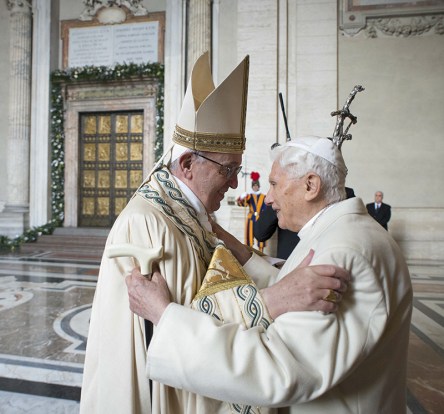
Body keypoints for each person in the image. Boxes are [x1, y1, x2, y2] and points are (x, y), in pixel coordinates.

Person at [80, 53, 350, 414]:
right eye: (229, 169)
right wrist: (273, 300)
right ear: (188, 164)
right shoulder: (148, 221)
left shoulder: (191, 212)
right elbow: (165, 325)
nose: (235, 182)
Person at [125, 135, 413, 413]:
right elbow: (296, 290)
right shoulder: (341, 234)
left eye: (274, 184)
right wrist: (232, 245)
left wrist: (165, 317)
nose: (269, 198)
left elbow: (280, 367)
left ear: (311, 185)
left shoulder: (344, 252)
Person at [237, 171, 267, 251]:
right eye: (253, 186)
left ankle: (261, 252)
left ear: (258, 186)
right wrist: (242, 197)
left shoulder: (264, 196)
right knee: (249, 237)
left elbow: (266, 207)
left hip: (260, 218)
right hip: (251, 218)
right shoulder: (249, 196)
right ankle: (250, 252)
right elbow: (241, 204)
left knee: (261, 236)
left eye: (256, 185)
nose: (255, 187)